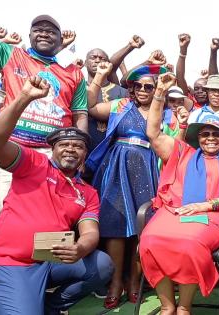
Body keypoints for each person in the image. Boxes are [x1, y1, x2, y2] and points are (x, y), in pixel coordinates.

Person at [0, 76, 112, 315]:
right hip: (7, 262)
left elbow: (91, 231)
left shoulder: (87, 192)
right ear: (53, 149)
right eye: (64, 144)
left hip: (48, 261)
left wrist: (80, 247)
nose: (71, 148)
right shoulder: (34, 163)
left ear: (84, 154)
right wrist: (24, 97)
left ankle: (47, 308)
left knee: (101, 265)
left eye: (78, 146)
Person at [0, 2, 89, 231]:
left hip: (52, 157)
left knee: (48, 221)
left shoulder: (74, 73)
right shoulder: (10, 54)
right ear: (29, 35)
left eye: (51, 31)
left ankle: (42, 267)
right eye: (39, 29)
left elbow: (80, 116)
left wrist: (82, 152)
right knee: (1, 217)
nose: (45, 33)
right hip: (8, 150)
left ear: (60, 40)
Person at [138, 72, 219, 315]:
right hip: (174, 211)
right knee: (148, 240)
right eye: (205, 134)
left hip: (213, 217)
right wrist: (159, 92)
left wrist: (207, 205)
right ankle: (167, 306)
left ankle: (184, 306)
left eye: (216, 134)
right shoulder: (182, 153)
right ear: (197, 138)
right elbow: (152, 133)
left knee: (189, 243)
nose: (211, 138)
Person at [84, 62, 171, 308]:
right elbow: (90, 107)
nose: (143, 90)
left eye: (149, 86)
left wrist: (165, 80)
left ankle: (135, 280)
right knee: (114, 224)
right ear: (131, 88)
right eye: (138, 86)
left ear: (156, 90)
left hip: (147, 169)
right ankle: (115, 282)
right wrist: (99, 76)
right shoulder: (121, 105)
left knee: (141, 226)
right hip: (116, 168)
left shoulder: (163, 111)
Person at [83, 48, 128, 156]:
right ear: (85, 63)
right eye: (93, 57)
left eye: (102, 58)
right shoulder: (78, 88)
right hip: (84, 151)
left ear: (109, 65)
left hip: (113, 152)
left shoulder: (123, 92)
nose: (97, 60)